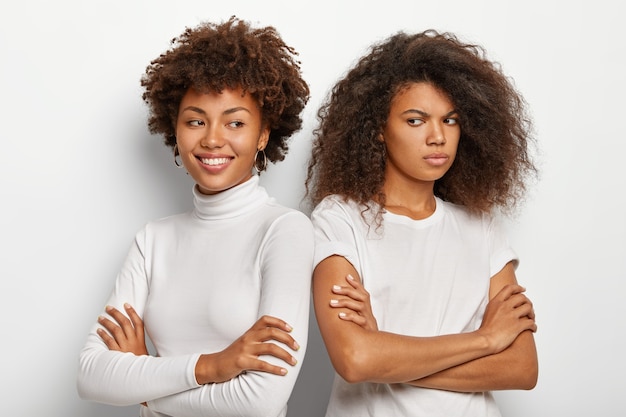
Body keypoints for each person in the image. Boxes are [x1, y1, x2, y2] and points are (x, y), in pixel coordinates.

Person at [77, 17, 312, 417]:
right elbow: (91, 376)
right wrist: (213, 365)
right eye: (195, 120)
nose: (212, 139)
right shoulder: (154, 240)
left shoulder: (283, 231)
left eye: (235, 122)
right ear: (175, 129)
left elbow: (258, 402)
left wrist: (143, 382)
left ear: (263, 134)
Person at [306, 29, 539, 416]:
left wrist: (386, 352)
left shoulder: (480, 227)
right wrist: (486, 339)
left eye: (450, 120)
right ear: (378, 129)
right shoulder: (339, 219)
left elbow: (521, 367)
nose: (437, 137)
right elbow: (355, 359)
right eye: (415, 120)